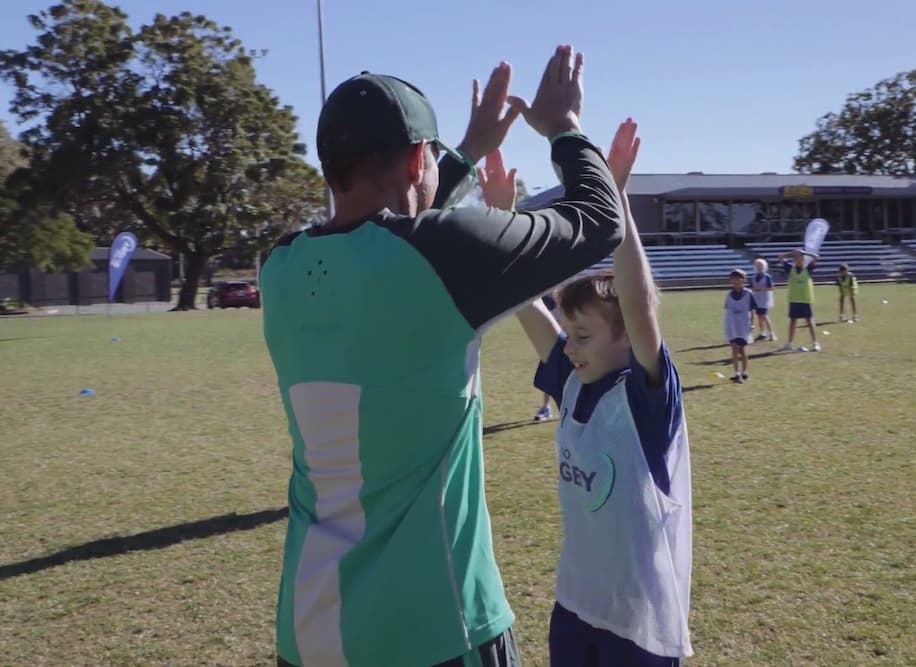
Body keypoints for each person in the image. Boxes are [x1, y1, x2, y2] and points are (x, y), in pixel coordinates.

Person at [260, 46, 626, 667]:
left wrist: (467, 150)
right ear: (415, 158)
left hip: (309, 630)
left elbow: (393, 232)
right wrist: (564, 128)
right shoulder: (442, 257)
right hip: (436, 627)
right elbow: (598, 220)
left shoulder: (280, 269)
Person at [482, 119, 693, 666]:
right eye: (568, 335)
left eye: (583, 335)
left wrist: (615, 198)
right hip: (575, 606)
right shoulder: (573, 382)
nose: (569, 347)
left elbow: (640, 305)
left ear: (625, 338)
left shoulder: (646, 399)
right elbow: (526, 304)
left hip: (638, 622)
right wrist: (503, 223)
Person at [776, 248, 820, 352]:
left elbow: (816, 257)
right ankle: (790, 343)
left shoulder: (807, 269)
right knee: (792, 322)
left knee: (809, 321)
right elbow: (780, 258)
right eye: (796, 257)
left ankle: (815, 343)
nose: (798, 259)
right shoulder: (790, 269)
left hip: (805, 300)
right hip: (794, 299)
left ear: (803, 258)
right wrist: (791, 253)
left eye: (800, 257)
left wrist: (805, 252)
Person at [724, 269, 753, 382]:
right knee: (734, 348)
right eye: (733, 279)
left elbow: (752, 310)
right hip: (733, 325)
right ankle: (736, 373)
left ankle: (744, 371)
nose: (736, 281)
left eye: (739, 278)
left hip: (744, 324)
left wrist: (752, 324)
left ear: (744, 280)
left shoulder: (748, 294)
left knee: (743, 349)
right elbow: (728, 310)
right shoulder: (729, 295)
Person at [749, 257, 776, 341]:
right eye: (758, 266)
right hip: (756, 299)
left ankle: (772, 333)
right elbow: (751, 288)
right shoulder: (753, 278)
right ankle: (762, 333)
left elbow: (771, 288)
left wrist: (761, 289)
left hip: (764, 299)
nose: (759, 268)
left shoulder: (767, 277)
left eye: (761, 266)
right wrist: (755, 289)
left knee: (764, 316)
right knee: (759, 316)